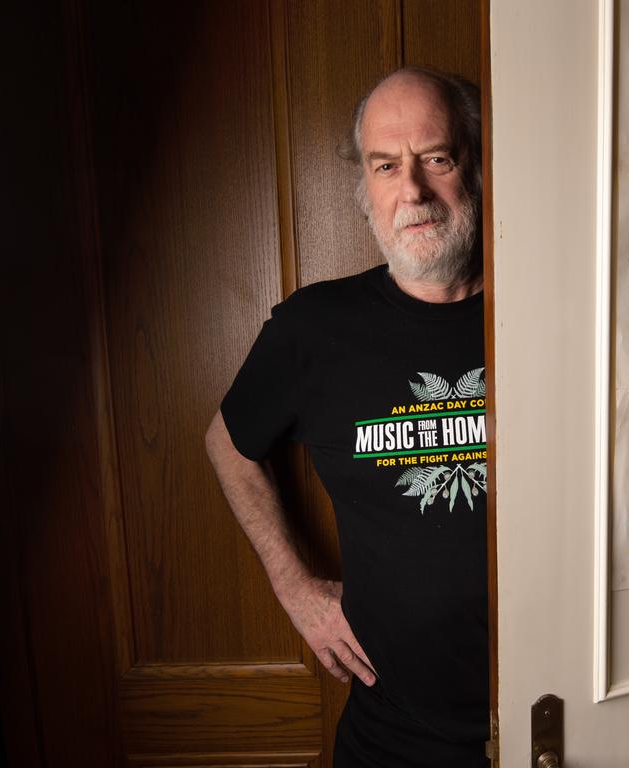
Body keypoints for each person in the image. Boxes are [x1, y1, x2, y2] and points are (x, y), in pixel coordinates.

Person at [205, 67, 489, 767]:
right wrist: (295, 587)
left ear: (476, 169)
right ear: (364, 190)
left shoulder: (553, 304)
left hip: (560, 717)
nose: (413, 191)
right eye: (386, 166)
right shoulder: (314, 329)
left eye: (437, 159)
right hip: (395, 736)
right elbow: (226, 442)